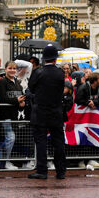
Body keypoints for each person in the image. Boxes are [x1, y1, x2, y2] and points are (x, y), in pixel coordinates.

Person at [27, 46, 67, 180]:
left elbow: (31, 87)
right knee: (58, 142)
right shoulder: (60, 73)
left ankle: (42, 170)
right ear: (55, 58)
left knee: (41, 142)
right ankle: (61, 171)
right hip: (56, 111)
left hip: (41, 112)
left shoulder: (39, 72)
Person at [0, 61, 26, 170]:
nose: (12, 70)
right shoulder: (2, 82)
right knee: (10, 138)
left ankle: (2, 160)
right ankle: (5, 161)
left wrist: (22, 103)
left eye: (14, 68)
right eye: (10, 68)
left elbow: (20, 99)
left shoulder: (18, 83)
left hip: (16, 116)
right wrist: (16, 100)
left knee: (11, 139)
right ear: (5, 69)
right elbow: (2, 98)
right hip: (5, 115)